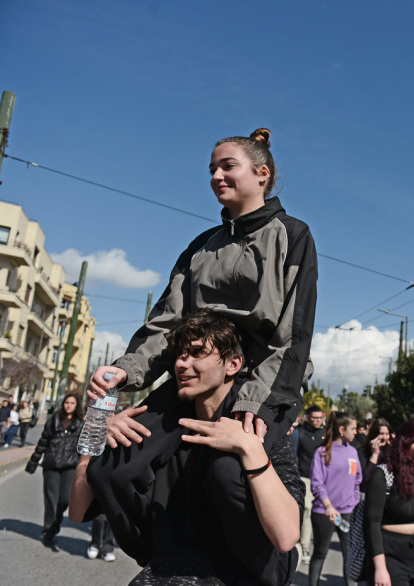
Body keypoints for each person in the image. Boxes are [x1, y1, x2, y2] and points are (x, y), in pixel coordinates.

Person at [83, 128, 317, 566]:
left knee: (228, 472)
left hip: (260, 383)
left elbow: (294, 333)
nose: (216, 176)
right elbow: (165, 323)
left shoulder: (293, 234)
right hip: (194, 373)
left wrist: (257, 407)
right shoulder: (199, 247)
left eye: (227, 166)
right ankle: (164, 561)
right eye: (211, 168)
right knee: (112, 468)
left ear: (262, 174)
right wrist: (125, 370)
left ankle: (262, 571)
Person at [70, 310, 305, 585]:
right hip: (173, 566)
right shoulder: (161, 432)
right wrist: (97, 432)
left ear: (233, 364)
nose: (182, 363)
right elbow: (77, 511)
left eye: (196, 353)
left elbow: (287, 536)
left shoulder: (258, 429)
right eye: (180, 355)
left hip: (246, 573)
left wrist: (249, 448)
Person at [367, 419, 414, 586]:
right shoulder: (383, 475)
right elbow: (372, 522)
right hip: (392, 554)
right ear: (406, 444)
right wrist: (380, 568)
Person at [24, 392, 84, 548]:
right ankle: (48, 532)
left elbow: (83, 449)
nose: (68, 405)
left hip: (70, 467)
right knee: (50, 501)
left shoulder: (80, 424)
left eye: (72, 403)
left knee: (64, 500)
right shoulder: (53, 421)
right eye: (66, 402)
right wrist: (33, 462)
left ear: (76, 405)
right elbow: (42, 443)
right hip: (51, 465)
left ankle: (55, 524)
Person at [308, 411, 361, 586]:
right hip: (324, 512)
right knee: (320, 552)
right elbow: (317, 483)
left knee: (349, 555)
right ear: (341, 429)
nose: (356, 432)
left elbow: (356, 481)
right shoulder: (322, 452)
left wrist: (353, 504)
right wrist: (328, 506)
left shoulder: (353, 452)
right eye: (353, 429)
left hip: (347, 512)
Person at [296, 404, 326, 562]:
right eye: (314, 418)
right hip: (305, 478)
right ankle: (305, 546)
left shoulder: (326, 434)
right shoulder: (299, 433)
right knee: (307, 511)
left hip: (324, 480)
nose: (318, 420)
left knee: (320, 515)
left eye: (320, 418)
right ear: (307, 418)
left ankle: (320, 549)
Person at [359, 417, 391, 484]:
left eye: (387, 434)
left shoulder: (390, 451)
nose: (384, 438)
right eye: (381, 434)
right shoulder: (362, 451)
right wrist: (374, 454)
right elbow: (365, 478)